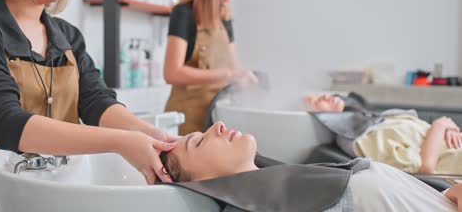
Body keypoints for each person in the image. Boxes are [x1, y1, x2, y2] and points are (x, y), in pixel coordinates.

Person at [0, 0, 176, 184]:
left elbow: (96, 102)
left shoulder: (68, 37)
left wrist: (150, 134)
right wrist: (119, 141)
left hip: (56, 188)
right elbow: (5, 121)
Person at [158, 122, 460, 211]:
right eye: (197, 142)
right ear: (201, 182)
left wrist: (445, 193)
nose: (217, 125)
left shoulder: (299, 186)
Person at [164, 0, 257, 136]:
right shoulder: (183, 14)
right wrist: (228, 75)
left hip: (216, 118)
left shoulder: (225, 17)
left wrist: (243, 81)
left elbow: (232, 65)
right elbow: (172, 73)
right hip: (187, 121)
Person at [303, 93, 462, 175]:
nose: (325, 96)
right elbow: (424, 168)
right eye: (317, 101)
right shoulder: (364, 138)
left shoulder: (381, 121)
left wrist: (445, 127)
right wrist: (441, 126)